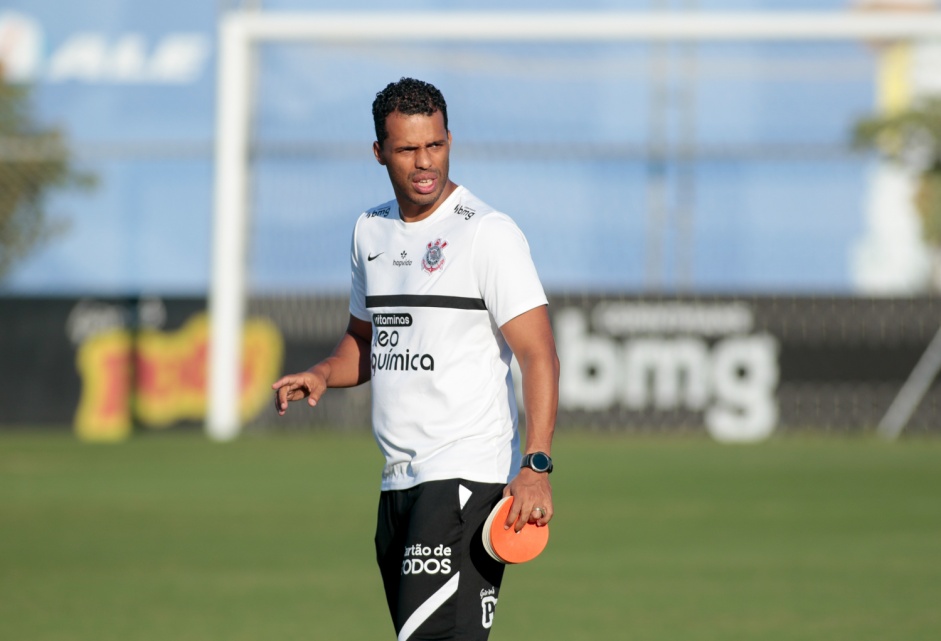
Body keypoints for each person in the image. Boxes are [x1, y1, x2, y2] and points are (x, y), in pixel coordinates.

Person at [271, 77, 559, 641]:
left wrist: (537, 465)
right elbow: (365, 340)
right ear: (379, 151)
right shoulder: (369, 231)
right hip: (397, 486)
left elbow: (539, 354)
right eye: (407, 149)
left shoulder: (489, 234)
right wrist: (323, 373)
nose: (424, 162)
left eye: (435, 145)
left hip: (462, 483)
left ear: (450, 138)